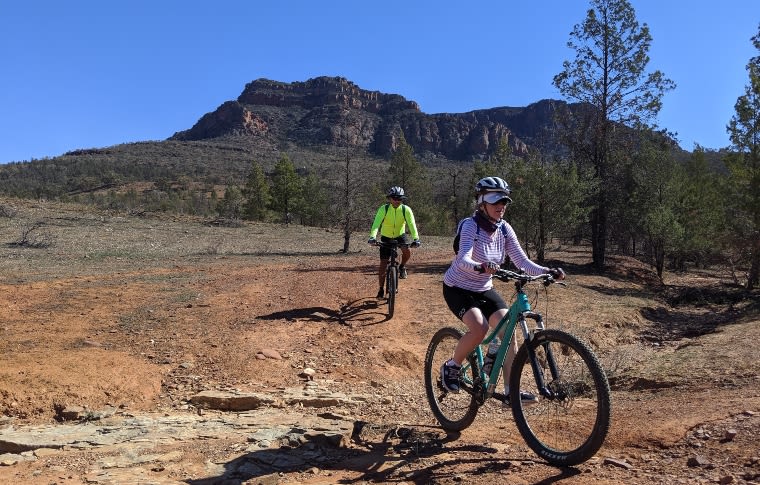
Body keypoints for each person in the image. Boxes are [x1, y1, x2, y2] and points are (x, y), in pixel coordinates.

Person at [440, 176, 565, 406]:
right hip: (457, 287)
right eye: (495, 201)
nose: (501, 206)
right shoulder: (470, 225)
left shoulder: (504, 229)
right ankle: (452, 366)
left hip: (483, 288)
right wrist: (481, 266)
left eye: (504, 202)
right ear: (481, 203)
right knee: (479, 328)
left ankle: (510, 392)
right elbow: (463, 257)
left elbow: (522, 262)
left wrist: (548, 270)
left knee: (508, 331)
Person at [368, 186, 421, 298]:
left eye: (400, 198)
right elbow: (376, 224)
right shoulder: (384, 209)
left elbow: (412, 224)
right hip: (386, 237)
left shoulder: (406, 209)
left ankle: (402, 267)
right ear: (390, 198)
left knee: (407, 251)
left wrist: (416, 238)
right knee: (383, 264)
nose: (397, 201)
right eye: (395, 198)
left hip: (400, 235)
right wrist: (373, 237)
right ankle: (381, 289)